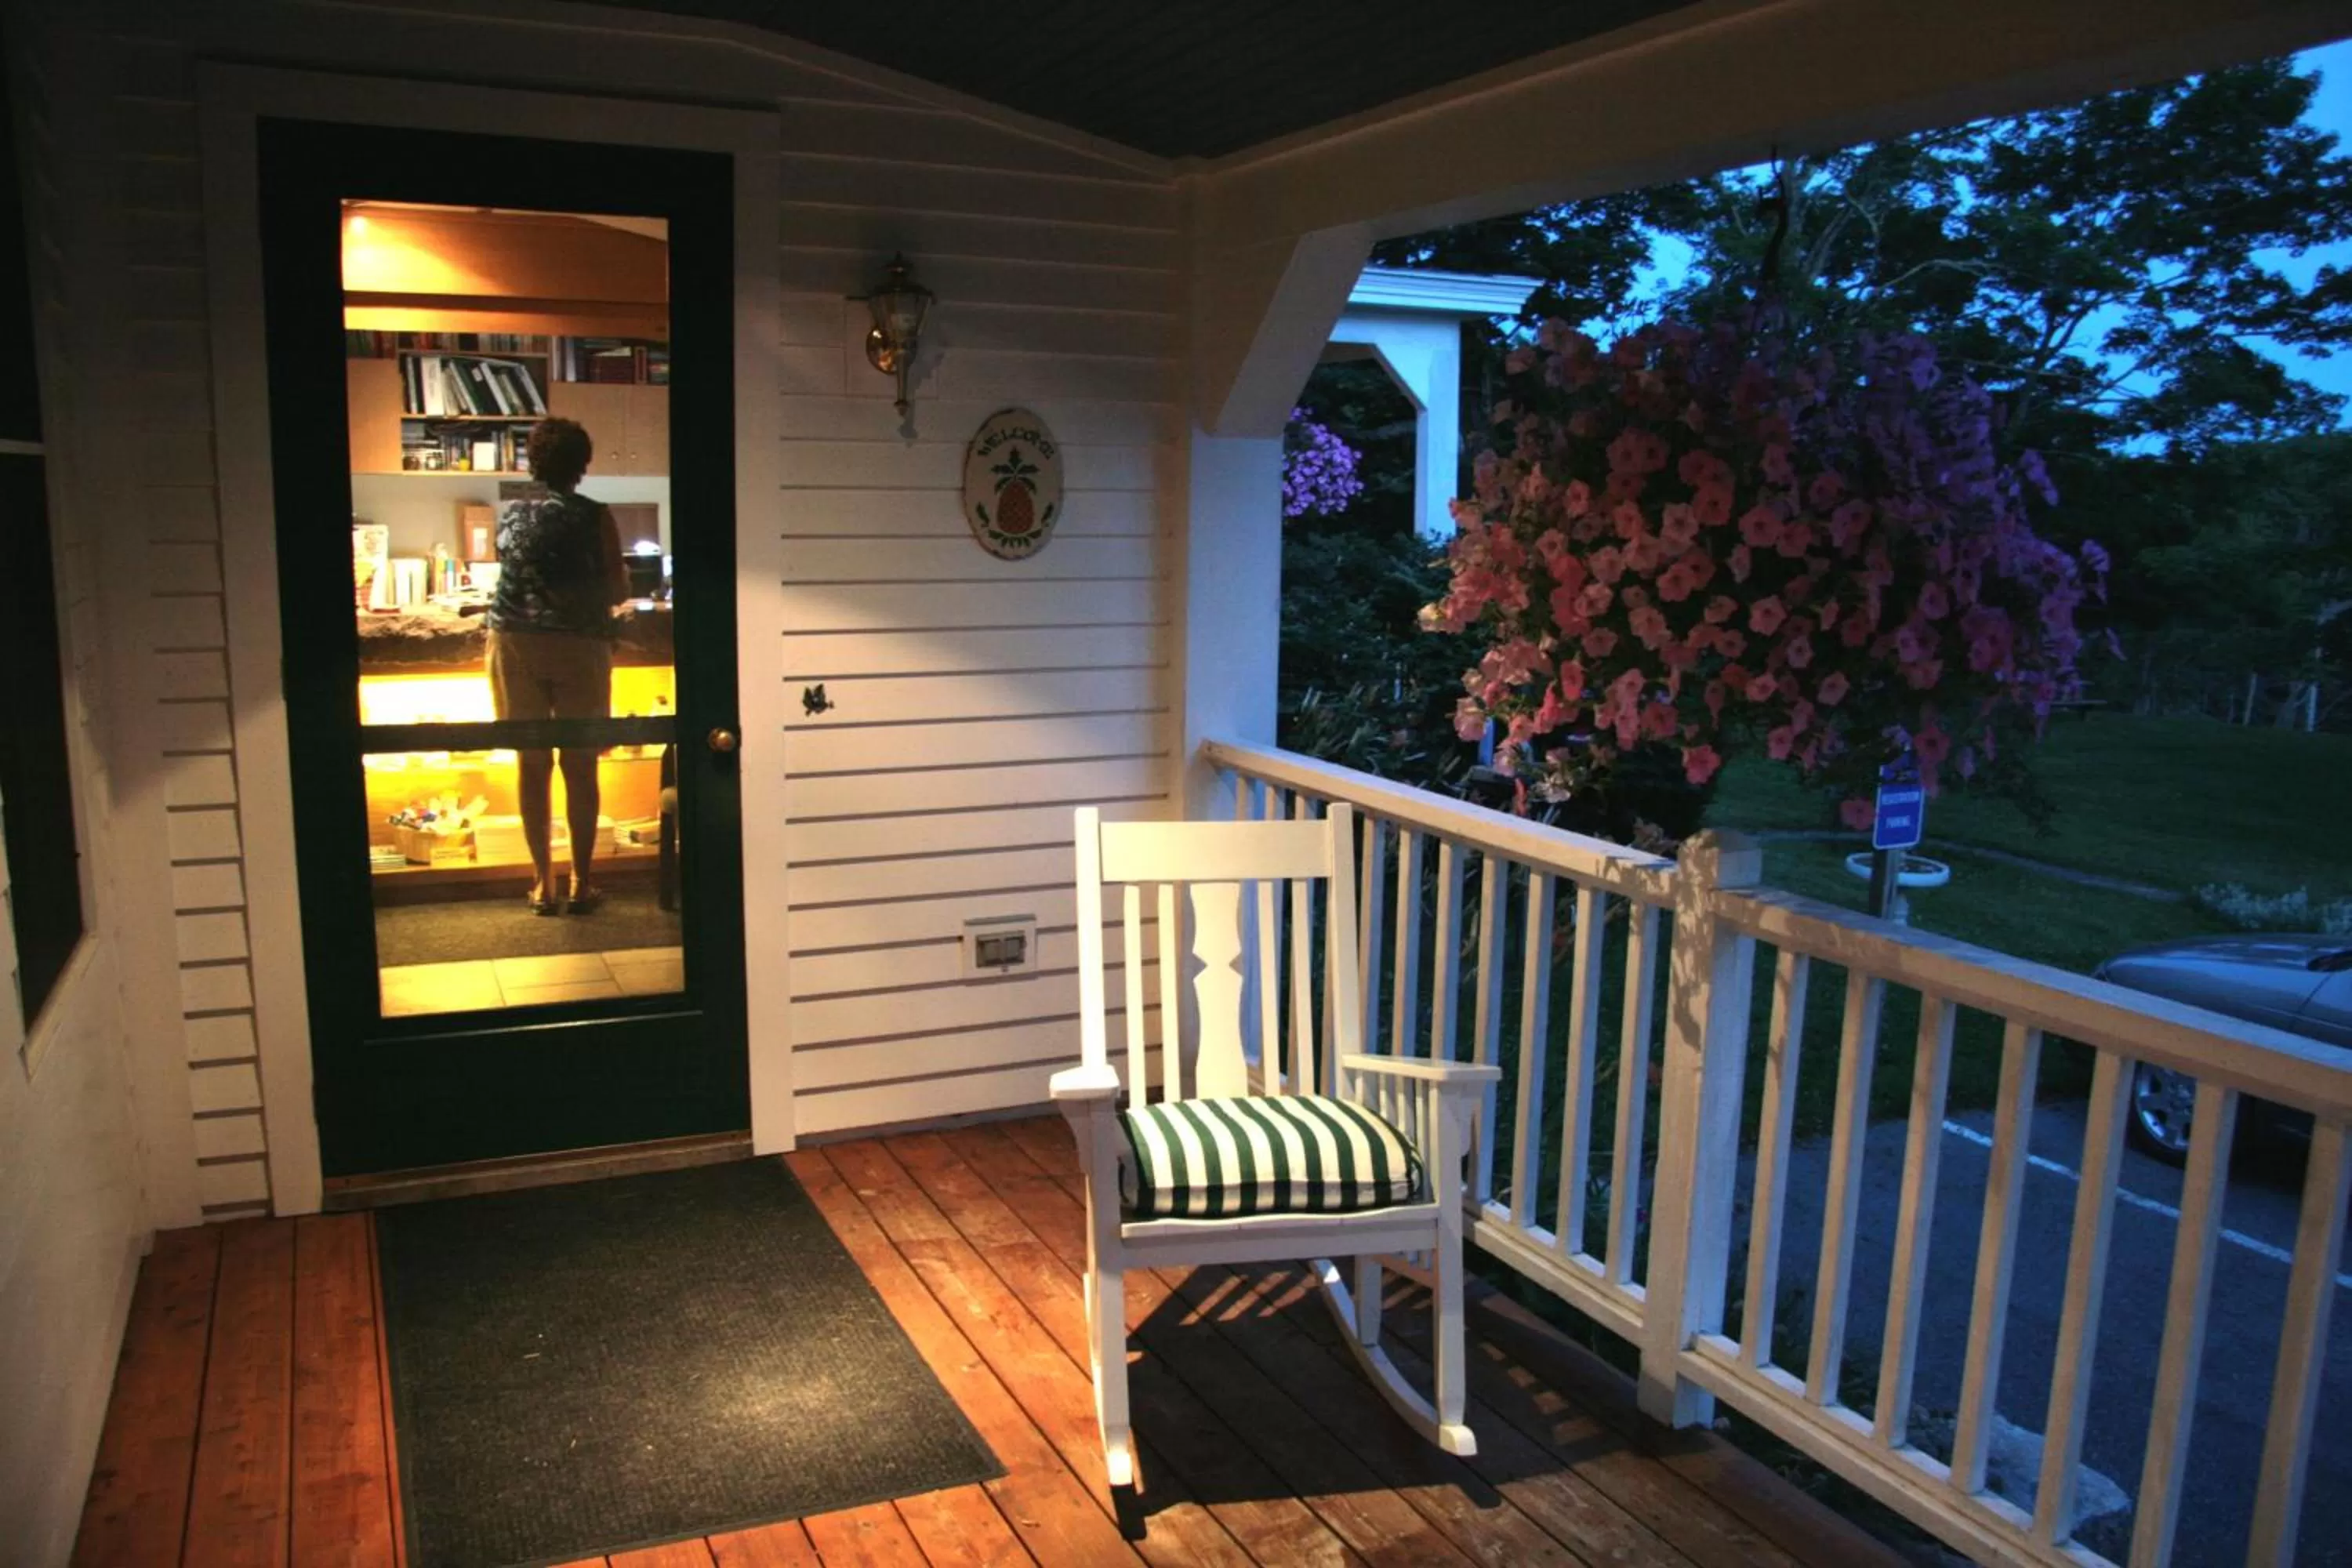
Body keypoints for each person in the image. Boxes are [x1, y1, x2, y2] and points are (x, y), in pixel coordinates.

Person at [486, 417, 628, 915]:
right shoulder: (595, 516)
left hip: (513, 643)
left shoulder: (510, 514)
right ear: (583, 466)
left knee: (531, 763)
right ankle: (581, 882)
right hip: (578, 646)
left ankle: (542, 883)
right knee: (580, 765)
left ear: (534, 462)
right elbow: (617, 591)